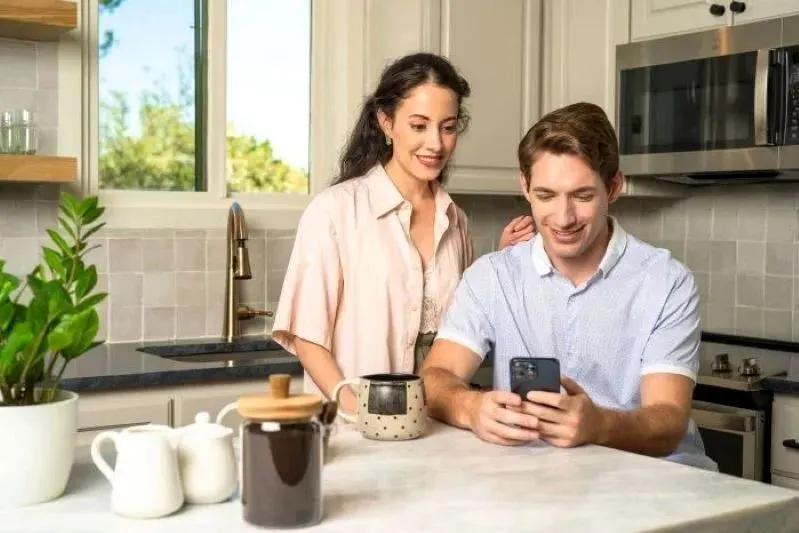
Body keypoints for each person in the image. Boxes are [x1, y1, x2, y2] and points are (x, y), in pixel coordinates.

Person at [421, 102, 716, 469]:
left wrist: (600, 425)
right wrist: (471, 407)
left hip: (651, 487)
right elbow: (435, 378)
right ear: (525, 187)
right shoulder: (492, 277)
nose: (563, 218)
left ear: (613, 187)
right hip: (538, 482)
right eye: (546, 196)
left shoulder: (667, 282)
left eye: (582, 196)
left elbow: (669, 420)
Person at [271, 53, 534, 413]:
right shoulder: (334, 212)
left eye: (448, 127)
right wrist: (355, 410)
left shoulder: (456, 221)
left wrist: (499, 265)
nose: (435, 144)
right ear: (386, 122)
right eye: (419, 125)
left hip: (433, 426)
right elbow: (308, 337)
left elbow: (462, 329)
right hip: (353, 430)